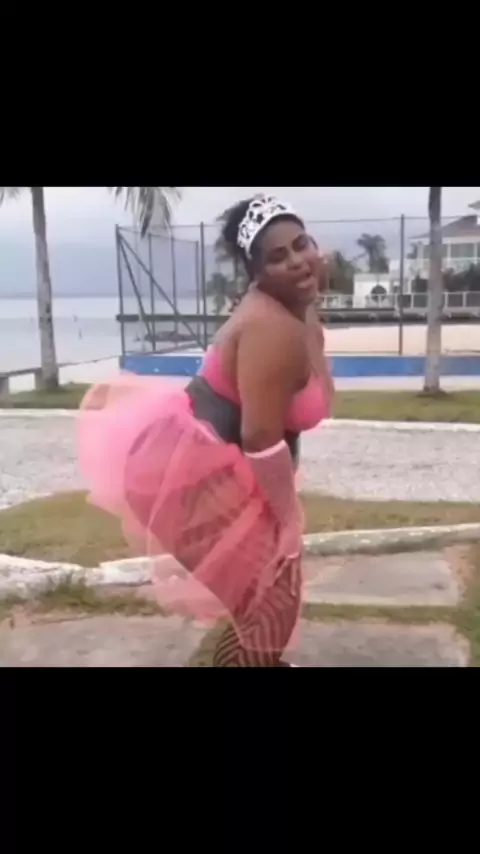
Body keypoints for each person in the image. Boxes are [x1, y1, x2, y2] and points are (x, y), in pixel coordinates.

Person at [78, 194, 334, 666]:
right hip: (190, 474)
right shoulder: (271, 328)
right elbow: (260, 439)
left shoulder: (299, 310)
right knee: (272, 598)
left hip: (215, 463)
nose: (298, 260)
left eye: (302, 244)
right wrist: (288, 523)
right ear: (256, 272)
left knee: (266, 599)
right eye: (278, 256)